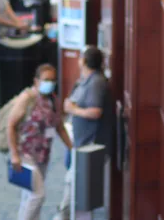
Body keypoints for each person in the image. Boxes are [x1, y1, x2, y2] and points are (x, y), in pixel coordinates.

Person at [53, 46, 113, 220]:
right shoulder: (85, 80)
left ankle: (63, 214)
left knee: (77, 185)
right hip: (81, 140)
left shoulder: (96, 83)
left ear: (85, 61)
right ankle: (64, 213)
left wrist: (73, 109)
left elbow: (95, 112)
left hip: (90, 144)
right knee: (73, 182)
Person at [8, 64, 72, 220]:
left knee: (29, 195)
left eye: (52, 80)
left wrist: (72, 148)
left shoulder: (53, 100)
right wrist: (14, 155)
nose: (49, 83)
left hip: (43, 155)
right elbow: (11, 125)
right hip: (25, 154)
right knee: (38, 195)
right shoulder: (27, 98)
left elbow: (59, 127)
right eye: (46, 80)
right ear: (36, 81)